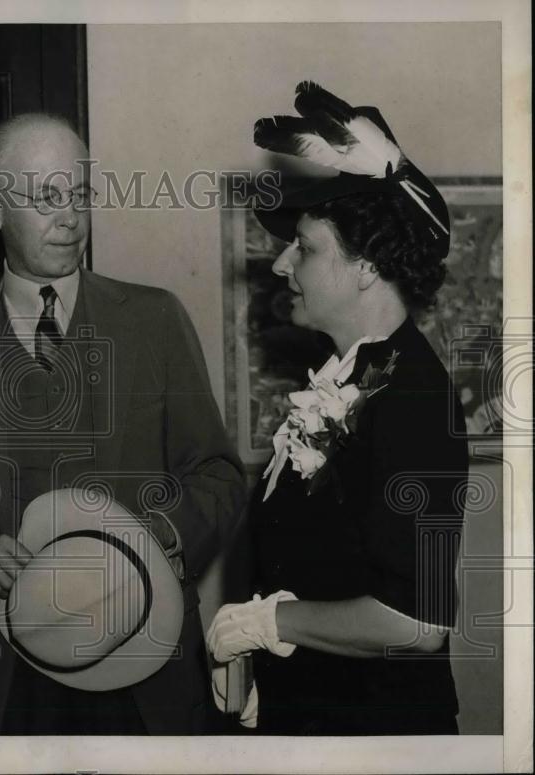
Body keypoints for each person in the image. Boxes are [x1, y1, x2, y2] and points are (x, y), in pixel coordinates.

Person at [0, 112, 246, 734]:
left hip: (142, 657)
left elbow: (217, 476)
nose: (70, 218)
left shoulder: (155, 322)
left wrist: (153, 535)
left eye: (79, 194)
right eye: (47, 197)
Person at [207, 82, 468, 734]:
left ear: (368, 265)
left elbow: (419, 624)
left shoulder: (417, 400)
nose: (281, 265)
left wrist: (268, 624)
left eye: (306, 246)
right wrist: (282, 677)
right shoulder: (350, 378)